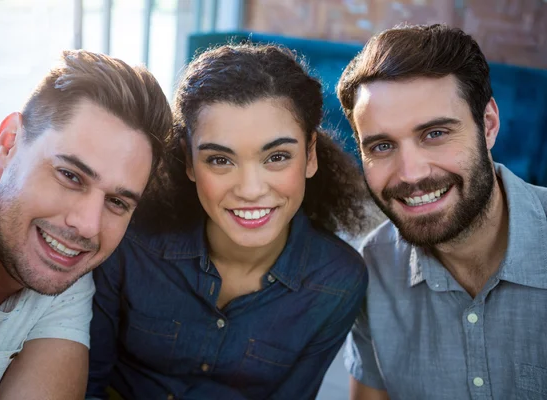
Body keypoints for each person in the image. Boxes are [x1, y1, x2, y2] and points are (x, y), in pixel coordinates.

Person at [86, 43, 370, 400]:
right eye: (220, 160)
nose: (250, 190)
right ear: (189, 161)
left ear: (310, 155)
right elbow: (86, 383)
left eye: (277, 157)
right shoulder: (131, 241)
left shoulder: (338, 282)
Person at [336, 23, 547, 400]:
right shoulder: (371, 270)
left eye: (435, 134)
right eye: (382, 146)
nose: (411, 173)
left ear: (488, 126)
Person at [0, 50, 172, 400]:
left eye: (117, 202)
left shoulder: (61, 277)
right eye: (70, 175)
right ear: (9, 142)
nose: (87, 226)